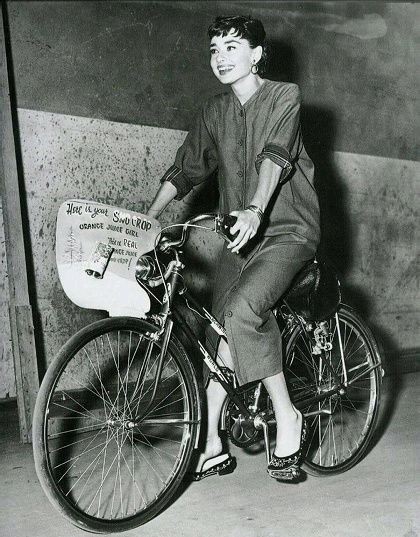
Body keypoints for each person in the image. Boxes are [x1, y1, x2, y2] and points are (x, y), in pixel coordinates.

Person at [147, 15, 320, 481]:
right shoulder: (214, 111)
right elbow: (187, 170)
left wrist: (256, 210)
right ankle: (211, 442)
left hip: (286, 232)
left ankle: (287, 416)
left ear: (257, 54)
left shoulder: (284, 96)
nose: (220, 57)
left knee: (242, 312)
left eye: (232, 47)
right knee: (219, 333)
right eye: (215, 49)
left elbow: (275, 156)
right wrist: (148, 216)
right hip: (238, 238)